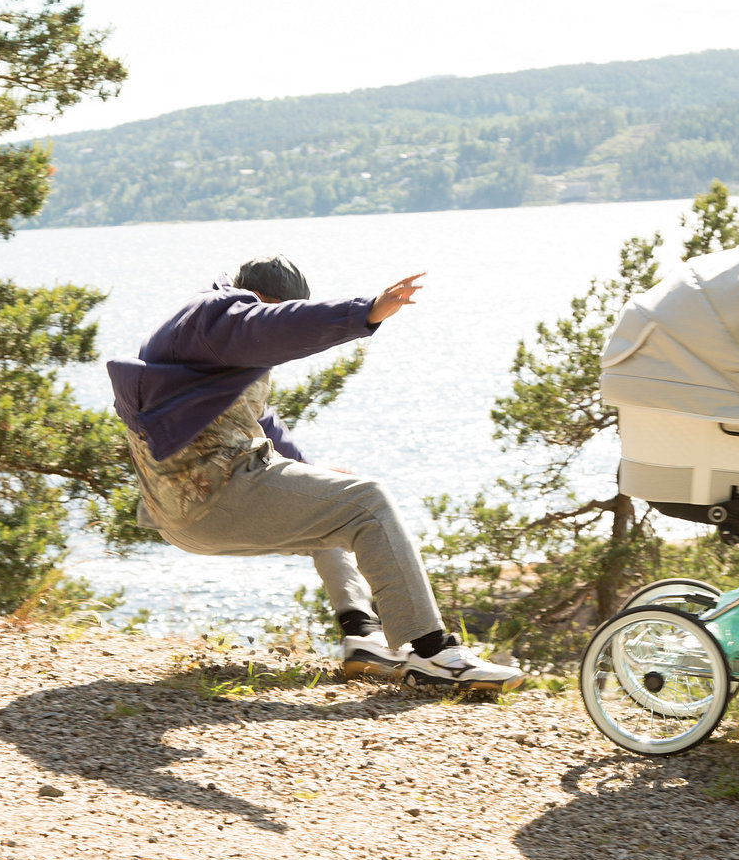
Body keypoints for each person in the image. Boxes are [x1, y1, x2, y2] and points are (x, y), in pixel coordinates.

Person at [106, 254, 524, 690]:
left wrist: (310, 472)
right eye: (272, 312)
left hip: (178, 517)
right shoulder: (221, 313)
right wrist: (365, 311)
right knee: (369, 502)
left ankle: (362, 637)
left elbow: (257, 420)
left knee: (339, 507)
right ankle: (433, 653)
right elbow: (278, 324)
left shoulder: (204, 339)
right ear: (262, 301)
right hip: (216, 496)